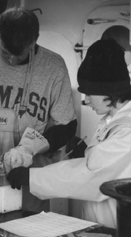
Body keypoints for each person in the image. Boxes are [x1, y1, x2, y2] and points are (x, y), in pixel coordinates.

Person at [7, 38, 131, 229]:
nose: (86, 100)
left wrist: (31, 177)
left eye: (89, 93)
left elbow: (89, 176)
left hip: (118, 227)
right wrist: (87, 153)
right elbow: (99, 164)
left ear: (109, 92)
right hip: (100, 224)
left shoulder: (127, 131)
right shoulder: (111, 119)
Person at [0, 7, 77, 211]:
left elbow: (67, 126)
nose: (11, 61)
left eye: (20, 55)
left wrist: (29, 148)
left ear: (34, 41)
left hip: (25, 180)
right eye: (5, 53)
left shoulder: (53, 66)